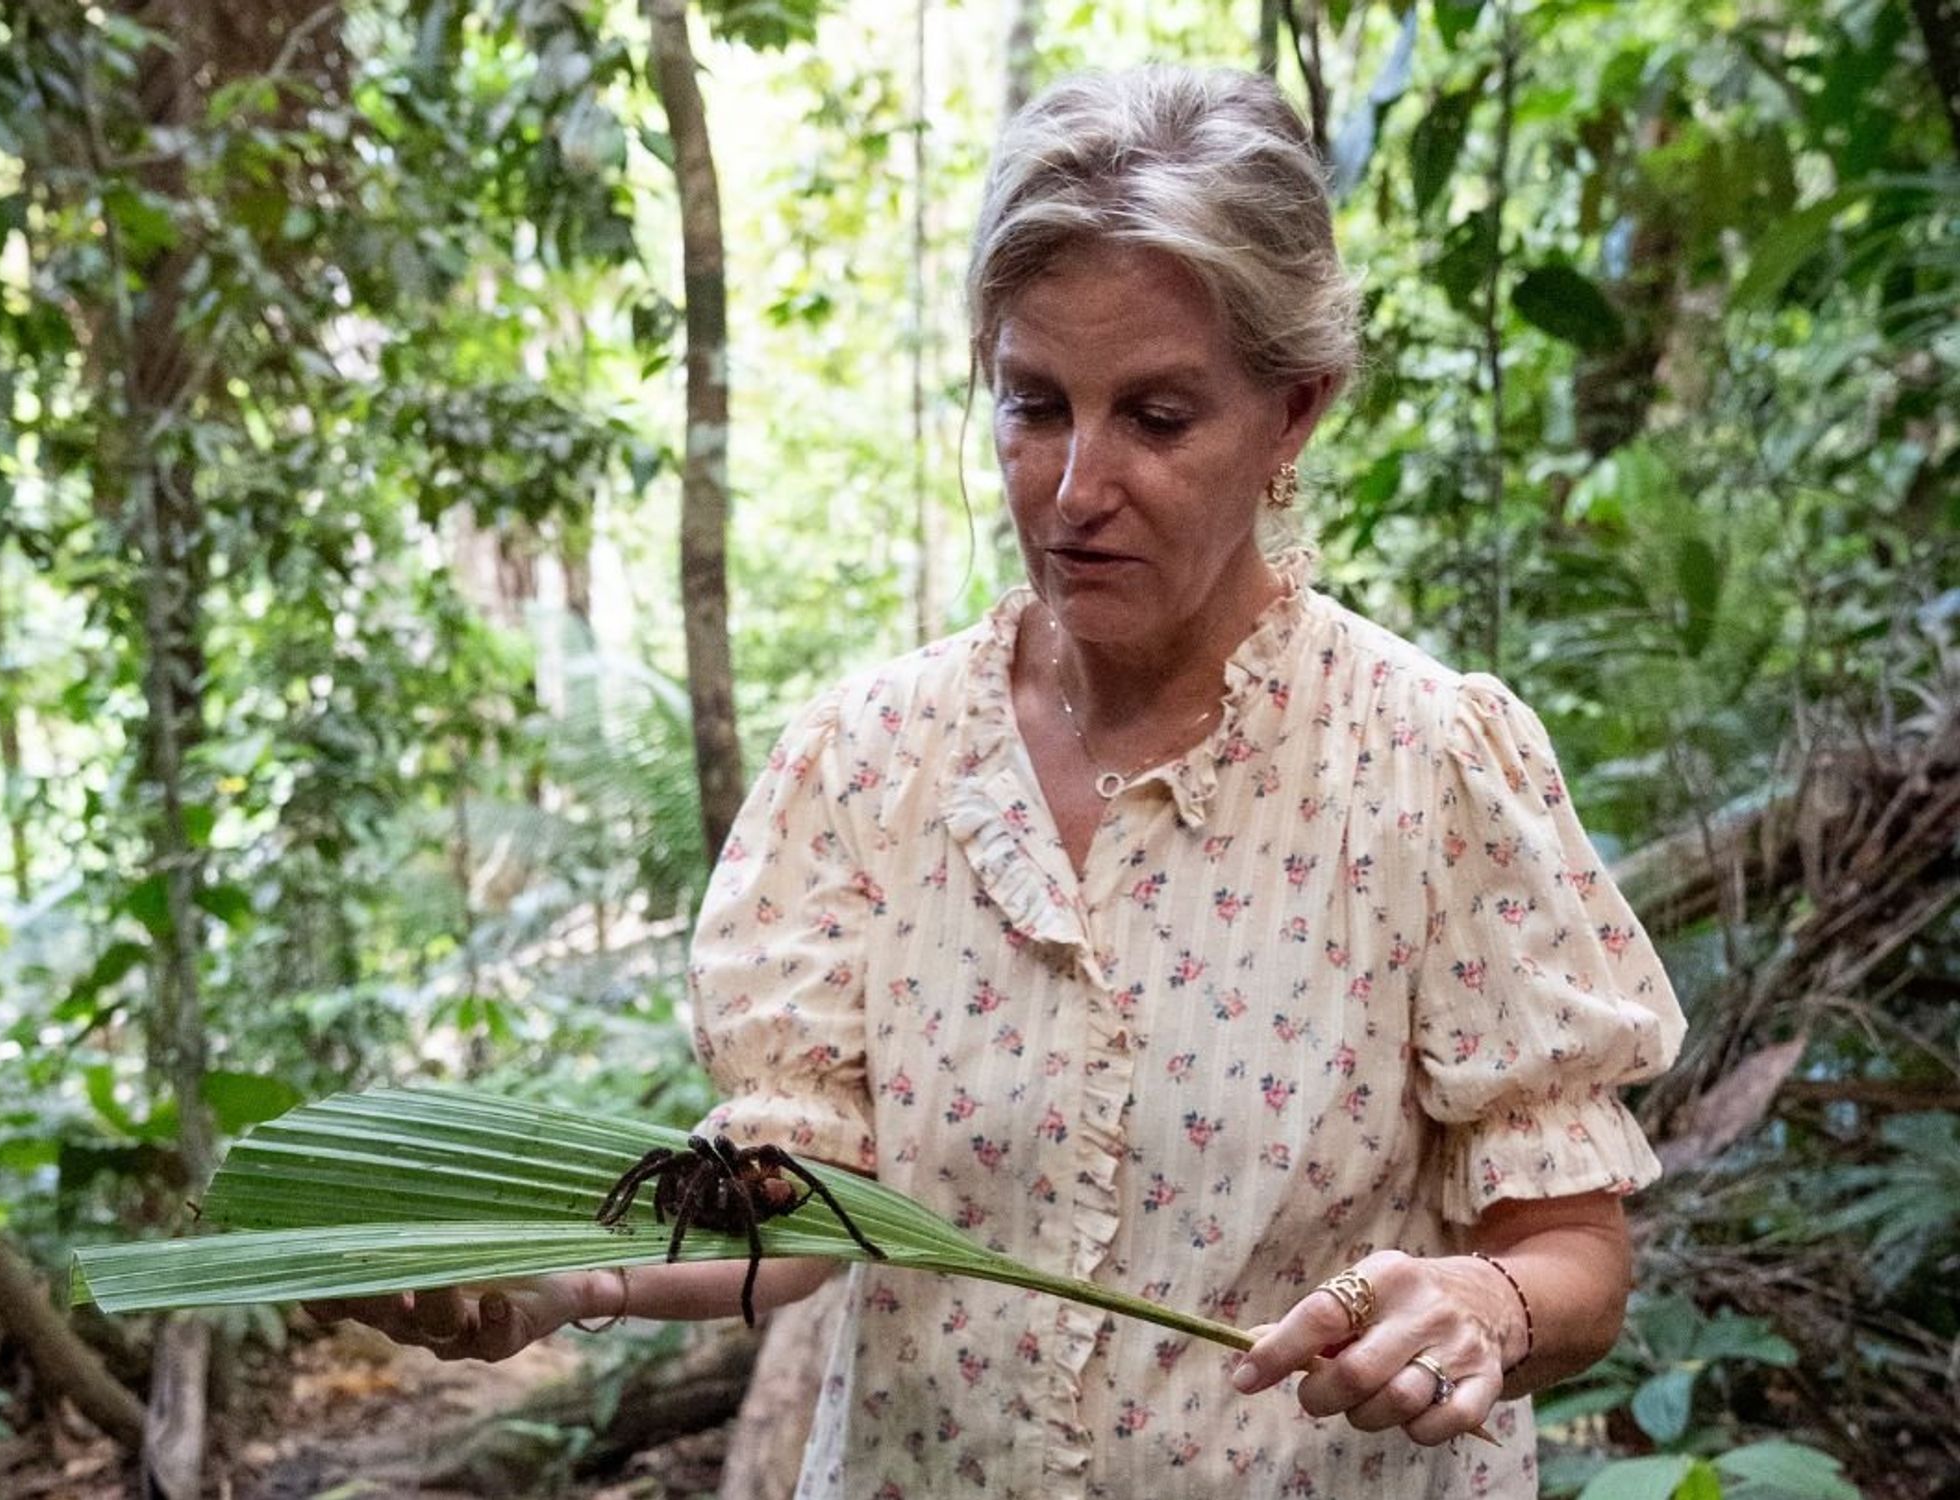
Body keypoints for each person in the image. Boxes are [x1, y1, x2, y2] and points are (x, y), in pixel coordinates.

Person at [314, 64, 1685, 1499]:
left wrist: (1485, 1310)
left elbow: (1577, 1257)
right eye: (1034, 405)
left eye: (1159, 418)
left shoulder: (1426, 767)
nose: (1077, 487)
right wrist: (554, 1281)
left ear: (1293, 416)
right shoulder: (868, 766)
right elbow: (794, 1201)